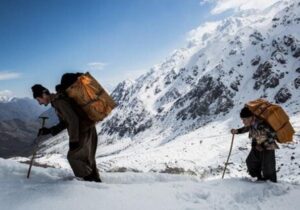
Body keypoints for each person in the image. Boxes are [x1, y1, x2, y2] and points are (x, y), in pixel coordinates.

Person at [31, 84, 101, 182]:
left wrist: (74, 140)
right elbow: (65, 122)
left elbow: (73, 120)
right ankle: (96, 182)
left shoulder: (59, 101)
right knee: (88, 158)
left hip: (83, 131)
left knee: (73, 157)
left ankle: (89, 181)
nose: (40, 103)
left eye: (39, 100)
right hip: (89, 127)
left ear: (44, 94)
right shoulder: (58, 100)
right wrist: (49, 130)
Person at [231, 107, 278, 182]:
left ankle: (271, 185)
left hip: (268, 148)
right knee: (250, 162)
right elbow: (246, 128)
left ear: (251, 117)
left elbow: (272, 134)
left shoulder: (262, 124)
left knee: (268, 168)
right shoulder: (251, 124)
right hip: (256, 147)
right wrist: (237, 131)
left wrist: (262, 145)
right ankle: (259, 179)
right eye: (242, 120)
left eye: (244, 119)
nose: (243, 122)